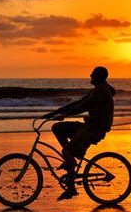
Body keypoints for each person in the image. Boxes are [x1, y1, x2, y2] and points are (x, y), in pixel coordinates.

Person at [43, 66, 116, 201]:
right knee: (58, 128)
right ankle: (71, 159)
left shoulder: (101, 91)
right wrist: (56, 112)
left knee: (66, 152)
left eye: (93, 74)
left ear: (99, 77)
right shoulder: (98, 89)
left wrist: (65, 114)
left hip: (94, 130)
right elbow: (78, 102)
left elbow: (83, 106)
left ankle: (71, 187)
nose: (90, 75)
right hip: (89, 126)